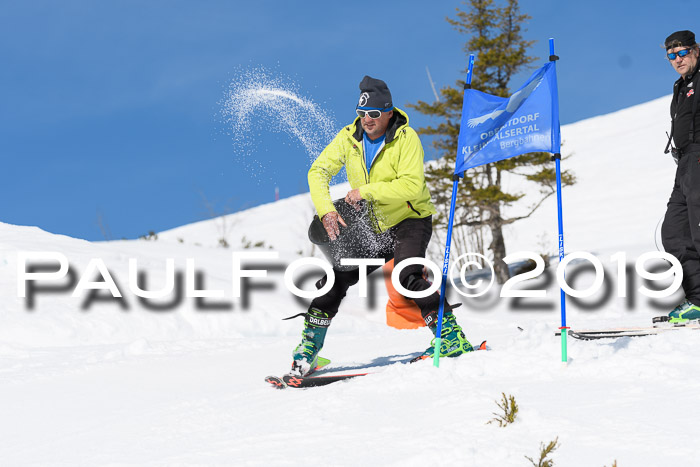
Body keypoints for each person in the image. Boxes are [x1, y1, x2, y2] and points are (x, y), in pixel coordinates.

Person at [289, 76, 474, 376]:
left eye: (374, 114)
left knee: (406, 275)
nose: (367, 121)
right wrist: (326, 211)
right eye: (362, 114)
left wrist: (367, 191)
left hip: (410, 219)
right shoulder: (349, 137)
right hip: (375, 227)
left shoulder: (405, 138)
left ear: (388, 112)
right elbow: (318, 171)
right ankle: (307, 350)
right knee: (337, 280)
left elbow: (412, 186)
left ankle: (451, 339)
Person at [662, 30, 700, 323]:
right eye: (671, 56)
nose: (677, 59)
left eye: (682, 53)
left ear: (695, 50)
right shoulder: (681, 85)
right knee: (675, 233)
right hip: (685, 163)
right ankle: (698, 301)